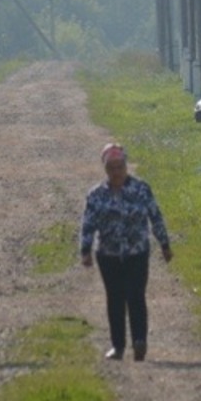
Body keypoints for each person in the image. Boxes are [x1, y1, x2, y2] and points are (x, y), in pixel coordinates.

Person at [79, 142, 172, 361]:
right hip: (108, 254)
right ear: (105, 169)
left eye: (120, 167)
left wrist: (165, 244)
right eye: (111, 168)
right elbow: (88, 224)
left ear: (126, 166)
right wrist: (85, 250)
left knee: (136, 295)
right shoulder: (96, 195)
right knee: (115, 298)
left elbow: (155, 216)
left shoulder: (141, 189)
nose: (116, 172)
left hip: (137, 252)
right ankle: (118, 346)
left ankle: (140, 341)